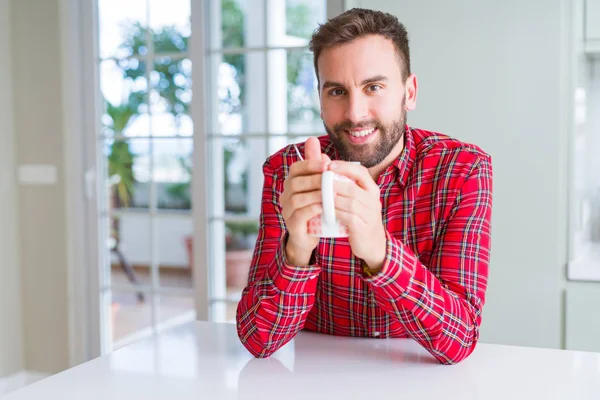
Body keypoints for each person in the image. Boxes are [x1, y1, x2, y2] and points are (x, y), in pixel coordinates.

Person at [236, 8, 493, 365]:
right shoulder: (287, 171)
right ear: (321, 99)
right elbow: (258, 340)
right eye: (337, 91)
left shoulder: (462, 170)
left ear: (410, 92)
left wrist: (380, 252)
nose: (355, 113)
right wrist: (297, 250)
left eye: (374, 87)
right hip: (315, 382)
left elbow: (459, 338)